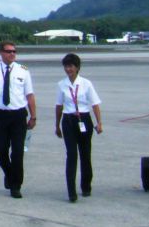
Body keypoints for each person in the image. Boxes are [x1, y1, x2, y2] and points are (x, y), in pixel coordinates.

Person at [0, 40, 36, 198]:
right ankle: (9, 173)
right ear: (1, 53)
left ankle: (16, 186)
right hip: (0, 115)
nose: (12, 54)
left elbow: (30, 95)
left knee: (18, 152)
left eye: (14, 52)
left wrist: (33, 116)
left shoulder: (23, 71)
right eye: (9, 51)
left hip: (18, 115)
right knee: (0, 149)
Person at [54, 53, 103, 202]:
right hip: (68, 120)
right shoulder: (61, 84)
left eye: (71, 66)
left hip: (84, 119)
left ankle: (86, 186)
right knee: (71, 155)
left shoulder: (86, 84)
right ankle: (71, 191)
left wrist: (99, 122)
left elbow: (95, 104)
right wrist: (57, 125)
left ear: (77, 67)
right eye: (66, 66)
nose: (68, 69)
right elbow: (59, 106)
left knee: (85, 154)